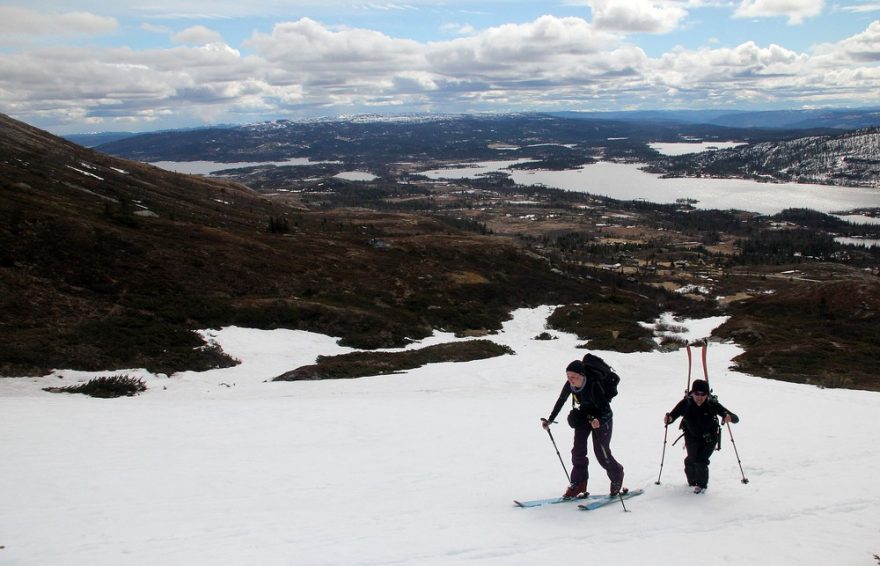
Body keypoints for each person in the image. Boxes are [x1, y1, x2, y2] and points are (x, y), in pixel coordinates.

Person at [542, 359, 625, 498]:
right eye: (568, 377)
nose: (571, 380)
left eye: (573, 377)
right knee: (577, 451)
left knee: (601, 453)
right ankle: (579, 483)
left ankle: (617, 475)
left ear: (582, 375)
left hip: (601, 419)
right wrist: (550, 419)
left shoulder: (593, 385)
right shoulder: (570, 385)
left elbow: (608, 412)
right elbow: (561, 400)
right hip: (584, 416)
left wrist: (599, 421)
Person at [664, 379, 740, 493]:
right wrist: (668, 419)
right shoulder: (686, 404)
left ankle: (701, 486)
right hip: (691, 436)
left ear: (707, 394)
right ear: (692, 393)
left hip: (709, 438)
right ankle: (692, 482)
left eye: (703, 394)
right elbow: (673, 416)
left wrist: (729, 417)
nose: (699, 397)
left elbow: (736, 418)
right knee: (690, 460)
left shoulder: (712, 404)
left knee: (701, 460)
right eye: (696, 393)